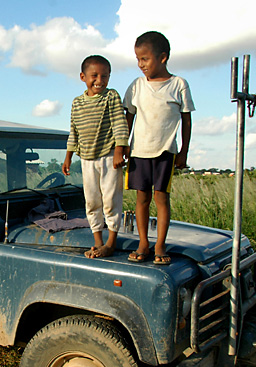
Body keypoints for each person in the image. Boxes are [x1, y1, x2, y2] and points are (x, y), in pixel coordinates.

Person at [123, 31, 195, 265]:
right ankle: (143, 242)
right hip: (138, 152)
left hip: (165, 152)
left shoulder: (178, 85)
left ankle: (160, 244)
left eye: (145, 59)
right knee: (141, 198)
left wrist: (183, 151)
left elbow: (186, 120)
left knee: (162, 198)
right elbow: (129, 117)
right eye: (137, 59)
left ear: (162, 57)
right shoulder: (136, 86)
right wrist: (122, 146)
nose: (140, 64)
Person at [62, 55, 129, 258]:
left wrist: (120, 149)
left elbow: (120, 122)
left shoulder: (111, 97)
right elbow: (74, 130)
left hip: (108, 156)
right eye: (94, 75)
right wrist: (68, 156)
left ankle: (111, 242)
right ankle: (98, 241)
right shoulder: (77, 103)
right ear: (83, 77)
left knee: (110, 199)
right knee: (92, 201)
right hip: (87, 159)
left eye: (105, 76)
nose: (99, 80)